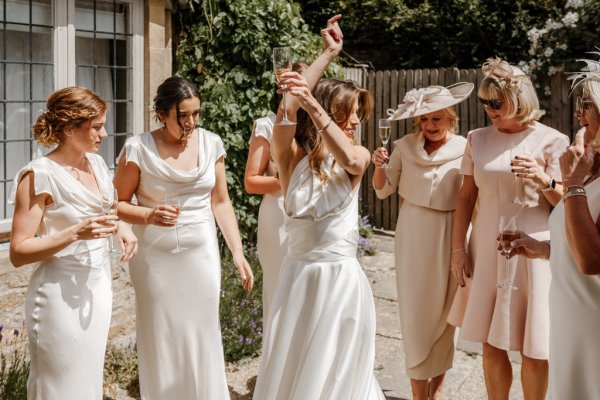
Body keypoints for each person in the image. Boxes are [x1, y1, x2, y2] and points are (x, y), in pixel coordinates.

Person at [113, 76, 254, 399]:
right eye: (183, 115)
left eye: (196, 114)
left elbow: (220, 201)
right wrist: (149, 215)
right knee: (162, 334)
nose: (190, 123)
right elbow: (115, 204)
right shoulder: (138, 148)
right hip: (155, 259)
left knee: (203, 329)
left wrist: (237, 252)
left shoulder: (211, 143)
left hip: (200, 255)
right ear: (162, 114)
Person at [252, 65, 385, 397]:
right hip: (298, 279)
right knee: (293, 365)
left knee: (338, 372)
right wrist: (326, 54)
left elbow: (352, 163)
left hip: (340, 282)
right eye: (350, 113)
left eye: (359, 114)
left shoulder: (358, 155)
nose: (356, 121)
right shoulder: (290, 157)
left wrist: (312, 104)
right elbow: (286, 109)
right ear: (330, 112)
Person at [447, 57, 569, 399]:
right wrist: (458, 250)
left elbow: (568, 205)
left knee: (534, 347)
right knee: (490, 342)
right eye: (485, 102)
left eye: (495, 102)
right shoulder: (477, 138)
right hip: (486, 248)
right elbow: (466, 196)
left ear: (519, 99)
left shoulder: (553, 141)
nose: (489, 109)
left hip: (534, 251)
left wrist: (544, 179)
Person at [9, 86, 138, 399]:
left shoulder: (94, 164)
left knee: (86, 382)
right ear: (68, 129)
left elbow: (106, 208)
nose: (104, 134)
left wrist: (122, 226)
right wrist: (74, 234)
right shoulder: (39, 175)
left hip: (97, 288)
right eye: (96, 127)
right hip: (59, 297)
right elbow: (18, 251)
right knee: (61, 387)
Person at [371, 82, 474, 400]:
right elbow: (383, 189)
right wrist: (379, 167)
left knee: (446, 312)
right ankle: (418, 393)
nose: (430, 126)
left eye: (437, 119)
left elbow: (473, 195)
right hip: (414, 232)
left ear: (451, 120)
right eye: (425, 120)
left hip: (453, 233)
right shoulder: (403, 146)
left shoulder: (466, 148)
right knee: (416, 312)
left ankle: (438, 388)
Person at [510, 56, 600, 399]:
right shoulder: (593, 170)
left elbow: (593, 260)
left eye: (587, 106)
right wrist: (547, 249)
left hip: (592, 322)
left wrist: (573, 180)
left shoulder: (581, 176)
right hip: (569, 313)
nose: (579, 114)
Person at [244, 15, 343, 326]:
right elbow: (250, 181)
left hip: (315, 226)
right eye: (297, 85)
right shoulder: (272, 128)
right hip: (278, 220)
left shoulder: (324, 132)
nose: (300, 92)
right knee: (279, 291)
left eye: (307, 85)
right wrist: (288, 182)